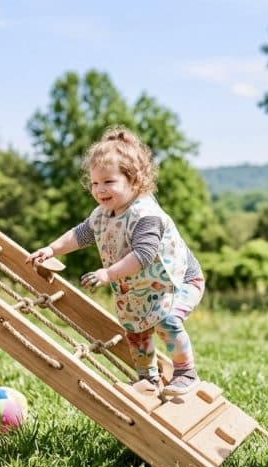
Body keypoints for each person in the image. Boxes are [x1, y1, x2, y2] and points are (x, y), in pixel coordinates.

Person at [25, 126, 205, 398]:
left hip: (179, 282)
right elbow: (81, 234)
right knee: (136, 330)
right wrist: (51, 250)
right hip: (142, 288)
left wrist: (107, 274)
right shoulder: (103, 214)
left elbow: (143, 256)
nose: (99, 190)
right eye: (95, 183)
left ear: (134, 181)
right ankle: (148, 378)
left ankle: (186, 373)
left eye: (109, 182)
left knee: (167, 321)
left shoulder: (146, 215)